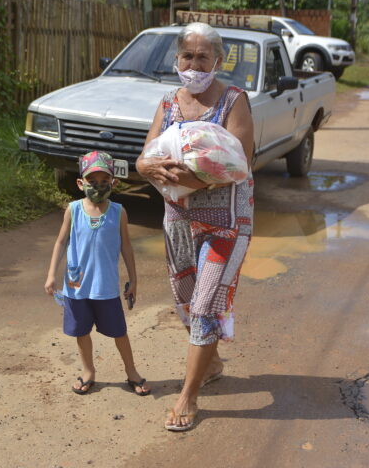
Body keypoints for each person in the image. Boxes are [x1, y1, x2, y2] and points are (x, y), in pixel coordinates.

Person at [136, 22, 255, 431]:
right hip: (179, 221)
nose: (194, 63)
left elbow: (240, 165)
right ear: (177, 59)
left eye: (203, 56)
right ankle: (212, 360)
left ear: (218, 61)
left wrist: (186, 178)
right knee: (186, 297)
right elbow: (142, 157)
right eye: (187, 55)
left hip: (226, 224)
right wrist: (149, 166)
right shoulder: (168, 102)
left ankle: (188, 397)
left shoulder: (234, 101)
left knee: (205, 305)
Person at [44, 151, 151, 397]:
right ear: (81, 183)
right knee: (81, 331)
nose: (98, 187)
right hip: (76, 286)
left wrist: (134, 280)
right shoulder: (73, 210)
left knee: (118, 331)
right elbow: (61, 243)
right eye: (92, 182)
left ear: (114, 183)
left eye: (105, 182)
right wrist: (51, 275)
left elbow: (126, 246)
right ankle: (88, 370)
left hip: (106, 287)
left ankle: (131, 371)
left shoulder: (118, 212)